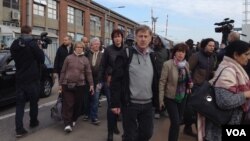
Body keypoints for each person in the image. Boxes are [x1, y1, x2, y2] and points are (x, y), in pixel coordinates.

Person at [110, 25, 159, 141]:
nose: (143, 39)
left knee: (147, 133)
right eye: (140, 36)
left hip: (148, 104)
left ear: (150, 38)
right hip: (130, 104)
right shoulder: (126, 54)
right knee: (130, 135)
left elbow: (156, 80)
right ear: (136, 38)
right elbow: (116, 80)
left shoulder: (153, 56)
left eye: (146, 36)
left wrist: (157, 101)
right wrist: (115, 103)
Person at [205, 40, 250, 141]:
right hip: (221, 129)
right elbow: (224, 101)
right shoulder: (229, 71)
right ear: (235, 55)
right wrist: (246, 94)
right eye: (246, 54)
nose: (249, 57)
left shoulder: (235, 69)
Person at [10, 25, 45, 137]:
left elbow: (14, 57)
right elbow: (42, 59)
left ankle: (19, 129)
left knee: (20, 105)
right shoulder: (32, 44)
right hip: (32, 79)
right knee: (33, 103)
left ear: (21, 32)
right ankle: (33, 122)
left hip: (20, 79)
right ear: (30, 32)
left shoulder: (15, 44)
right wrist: (38, 47)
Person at [159, 43, 193, 141]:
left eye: (183, 52)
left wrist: (190, 84)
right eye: (178, 51)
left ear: (185, 54)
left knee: (177, 123)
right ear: (174, 52)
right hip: (170, 97)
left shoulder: (186, 64)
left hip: (183, 97)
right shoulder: (168, 64)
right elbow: (162, 83)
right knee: (175, 122)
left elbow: (188, 79)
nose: (180, 54)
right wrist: (161, 100)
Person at [59, 41, 94, 133]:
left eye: (81, 47)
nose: (79, 49)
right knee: (68, 104)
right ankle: (67, 123)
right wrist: (60, 84)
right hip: (67, 84)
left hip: (80, 85)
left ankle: (74, 119)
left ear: (83, 49)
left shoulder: (85, 60)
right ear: (74, 48)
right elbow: (63, 71)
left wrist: (91, 84)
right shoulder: (68, 58)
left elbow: (89, 73)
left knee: (77, 105)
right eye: (77, 47)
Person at [98, 29, 124, 141]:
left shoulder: (127, 50)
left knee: (122, 106)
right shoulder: (108, 50)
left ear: (122, 37)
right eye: (115, 36)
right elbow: (102, 66)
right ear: (112, 38)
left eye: (119, 36)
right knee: (112, 106)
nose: (117, 38)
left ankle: (115, 126)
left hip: (123, 82)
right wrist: (100, 80)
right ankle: (110, 133)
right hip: (111, 81)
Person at [188, 38, 217, 138]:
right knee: (196, 110)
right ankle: (199, 134)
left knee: (200, 111)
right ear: (204, 46)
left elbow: (210, 71)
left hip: (205, 88)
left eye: (213, 46)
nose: (212, 48)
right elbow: (188, 71)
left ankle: (191, 129)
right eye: (210, 45)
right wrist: (190, 84)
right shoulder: (196, 56)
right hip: (195, 88)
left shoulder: (212, 57)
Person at [153, 35, 170, 119]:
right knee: (156, 93)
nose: (155, 41)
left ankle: (163, 109)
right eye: (155, 40)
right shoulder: (151, 51)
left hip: (164, 75)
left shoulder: (166, 51)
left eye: (157, 40)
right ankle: (157, 110)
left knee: (164, 93)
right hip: (154, 76)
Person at [88, 37, 103, 125]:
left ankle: (94, 117)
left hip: (98, 80)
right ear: (91, 45)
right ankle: (88, 114)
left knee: (96, 99)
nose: (97, 45)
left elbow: (103, 67)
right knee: (89, 98)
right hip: (88, 80)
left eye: (98, 44)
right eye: (95, 44)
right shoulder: (87, 54)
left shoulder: (102, 55)